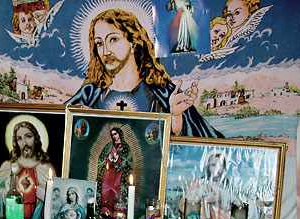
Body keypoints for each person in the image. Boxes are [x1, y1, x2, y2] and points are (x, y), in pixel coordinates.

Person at [66, 8, 223, 138]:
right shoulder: (90, 94)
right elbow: (63, 132)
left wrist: (176, 117)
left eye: (113, 39)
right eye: (99, 43)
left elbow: (197, 144)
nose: (106, 51)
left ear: (134, 44)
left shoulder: (163, 93)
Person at [0, 120, 55, 219]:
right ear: (16, 142)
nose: (24, 143)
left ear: (36, 139)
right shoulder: (8, 166)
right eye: (19, 139)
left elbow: (58, 200)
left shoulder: (46, 168)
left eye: (28, 136)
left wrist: (46, 198)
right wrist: (4, 195)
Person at [181, 150, 233, 219]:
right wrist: (204, 201)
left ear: (224, 168)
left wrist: (221, 198)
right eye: (213, 165)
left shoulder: (228, 188)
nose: (217, 168)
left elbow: (234, 208)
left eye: (220, 165)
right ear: (208, 167)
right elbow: (182, 204)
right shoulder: (198, 183)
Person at [96, 127, 133, 219]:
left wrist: (118, 161)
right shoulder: (108, 146)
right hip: (108, 175)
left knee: (116, 194)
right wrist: (109, 158)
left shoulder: (125, 147)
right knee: (105, 193)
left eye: (115, 134)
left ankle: (116, 218)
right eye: (112, 134)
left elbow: (128, 163)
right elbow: (101, 159)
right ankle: (104, 217)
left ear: (120, 134)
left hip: (119, 177)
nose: (114, 136)